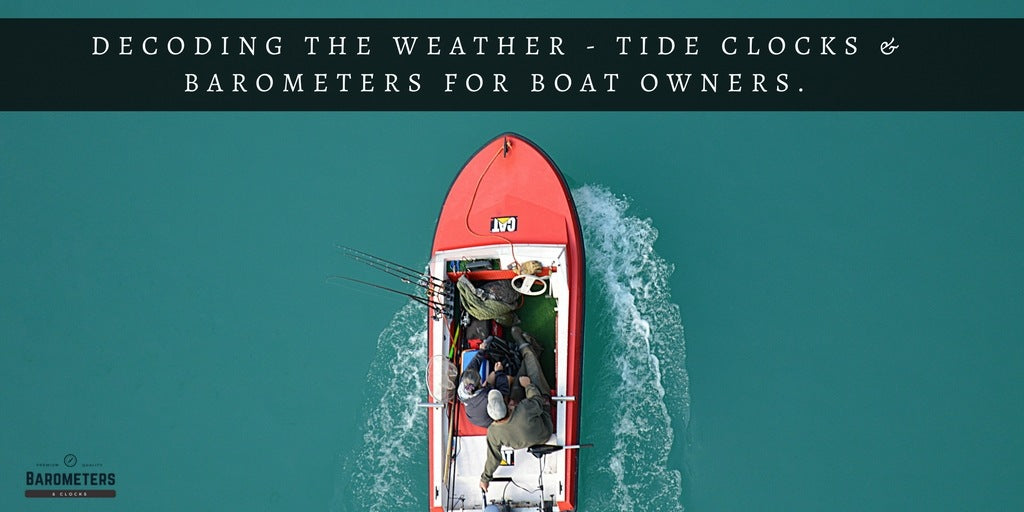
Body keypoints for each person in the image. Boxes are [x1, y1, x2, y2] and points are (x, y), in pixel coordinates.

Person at [478, 327, 552, 491]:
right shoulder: (524, 409)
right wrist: (529, 387)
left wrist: (485, 478)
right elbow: (538, 401)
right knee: (530, 365)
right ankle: (525, 345)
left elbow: (493, 458)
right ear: (507, 406)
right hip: (544, 427)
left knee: (521, 375)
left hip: (526, 437)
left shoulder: (493, 433)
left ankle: (528, 350)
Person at [458, 340, 513, 428]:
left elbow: (474, 365)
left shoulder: (463, 383)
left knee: (492, 375)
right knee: (508, 379)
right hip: (490, 420)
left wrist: (482, 351)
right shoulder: (486, 395)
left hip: (474, 415)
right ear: (480, 383)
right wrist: (499, 372)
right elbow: (503, 390)